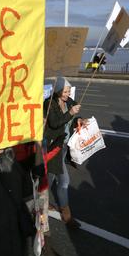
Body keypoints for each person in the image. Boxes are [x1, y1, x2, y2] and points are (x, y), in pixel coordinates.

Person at [43, 77, 81, 229]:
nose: (67, 94)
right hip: (52, 146)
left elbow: (70, 121)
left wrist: (79, 119)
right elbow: (55, 122)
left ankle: (44, 206)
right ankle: (65, 216)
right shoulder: (49, 102)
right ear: (58, 90)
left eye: (69, 91)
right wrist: (71, 113)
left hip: (63, 146)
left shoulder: (70, 101)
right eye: (65, 91)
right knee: (59, 181)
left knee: (53, 180)